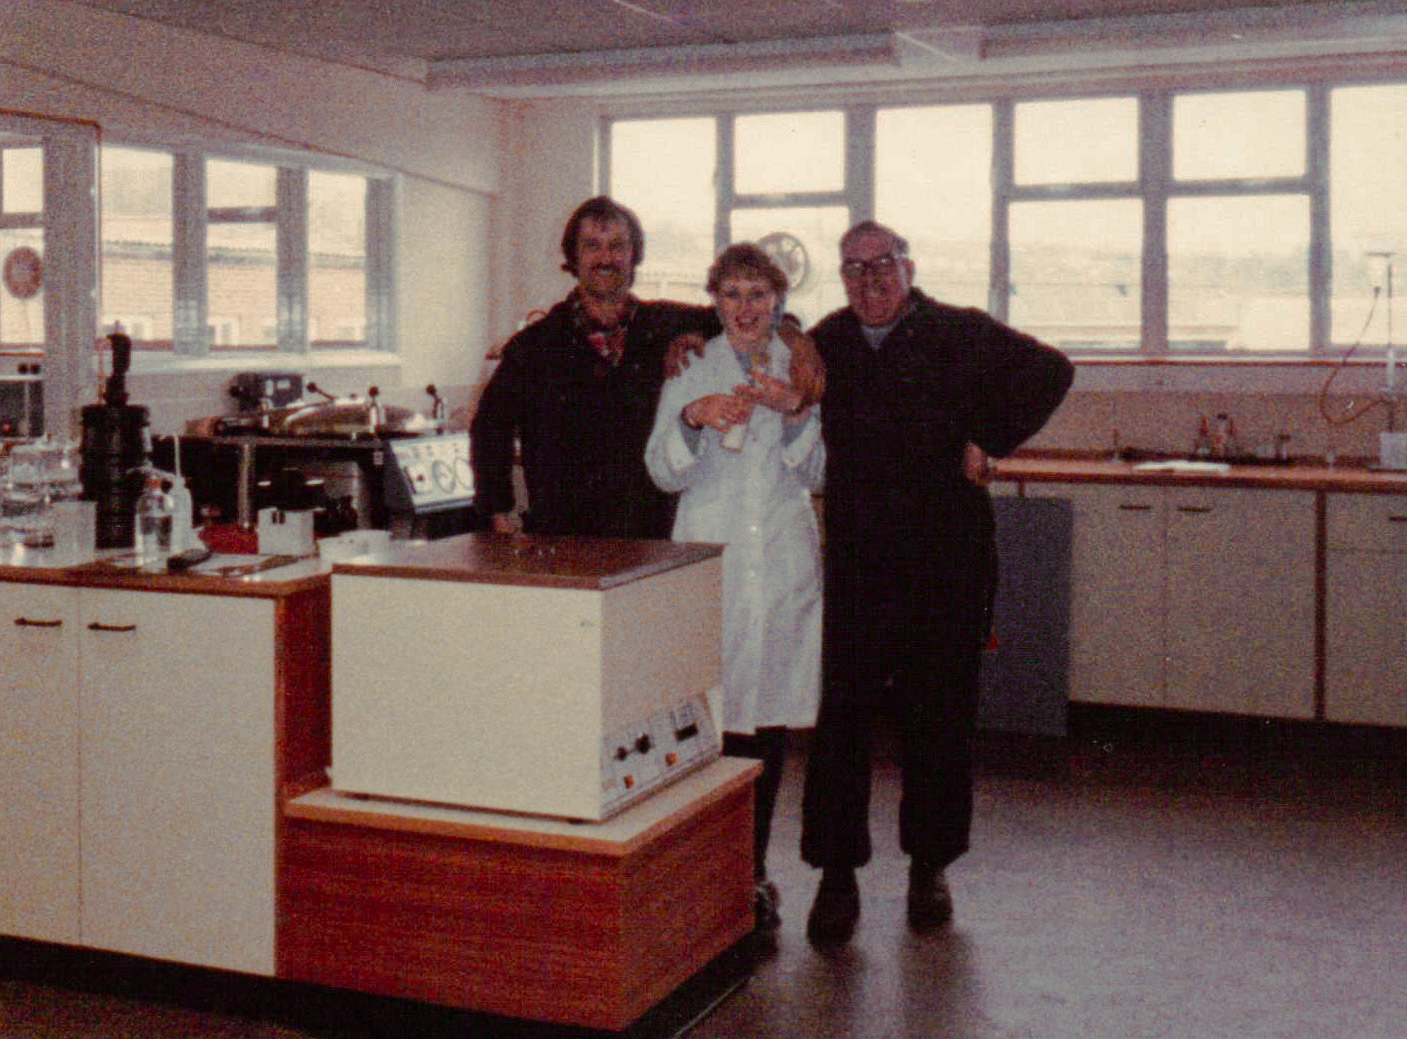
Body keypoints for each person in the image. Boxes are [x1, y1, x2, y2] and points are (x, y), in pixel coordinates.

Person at [800, 220, 1074, 946]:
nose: (868, 280)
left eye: (881, 264)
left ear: (907, 266)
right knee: (841, 722)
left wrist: (989, 435)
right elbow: (745, 319)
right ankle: (835, 875)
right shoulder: (824, 341)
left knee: (940, 718)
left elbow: (1052, 369)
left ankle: (929, 868)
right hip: (860, 561)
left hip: (947, 558)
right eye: (852, 268)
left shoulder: (960, 330)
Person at [645, 243, 824, 931]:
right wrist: (693, 420)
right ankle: (700, 872)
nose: (745, 308)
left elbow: (817, 475)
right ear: (713, 300)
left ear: (777, 300)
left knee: (767, 724)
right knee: (707, 722)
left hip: (777, 567)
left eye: (758, 294)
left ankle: (750, 872)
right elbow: (661, 470)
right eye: (731, 294)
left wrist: (794, 414)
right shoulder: (692, 365)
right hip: (713, 564)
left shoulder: (801, 366)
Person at [470, 196, 821, 539]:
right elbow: (489, 427)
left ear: (634, 255)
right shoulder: (536, 346)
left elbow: (748, 318)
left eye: (618, 245)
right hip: (564, 538)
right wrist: (498, 509)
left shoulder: (668, 324)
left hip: (653, 540)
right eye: (593, 246)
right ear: (573, 257)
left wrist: (797, 340)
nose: (606, 257)